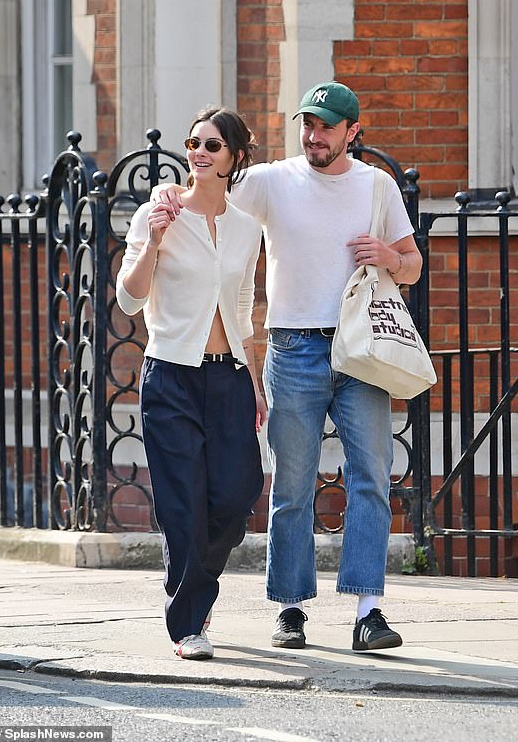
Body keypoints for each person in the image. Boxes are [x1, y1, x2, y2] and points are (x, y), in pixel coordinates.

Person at [153, 81, 423, 652]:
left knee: (371, 478)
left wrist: (391, 258)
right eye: (308, 124)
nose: (314, 135)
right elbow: (209, 186)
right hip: (293, 347)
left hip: (362, 350)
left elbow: (414, 265)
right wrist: (168, 198)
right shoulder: (272, 181)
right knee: (291, 485)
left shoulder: (377, 186)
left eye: (327, 126)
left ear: (352, 131)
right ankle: (292, 609)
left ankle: (369, 611)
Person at [116, 107, 266, 661]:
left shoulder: (247, 228)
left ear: (235, 159)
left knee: (235, 493)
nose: (199, 152)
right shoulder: (159, 212)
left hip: (228, 378)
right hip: (171, 376)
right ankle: (189, 622)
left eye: (213, 145)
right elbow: (130, 298)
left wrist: (254, 379)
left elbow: (243, 307)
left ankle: (193, 587)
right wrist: (153, 239)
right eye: (194, 143)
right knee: (182, 506)